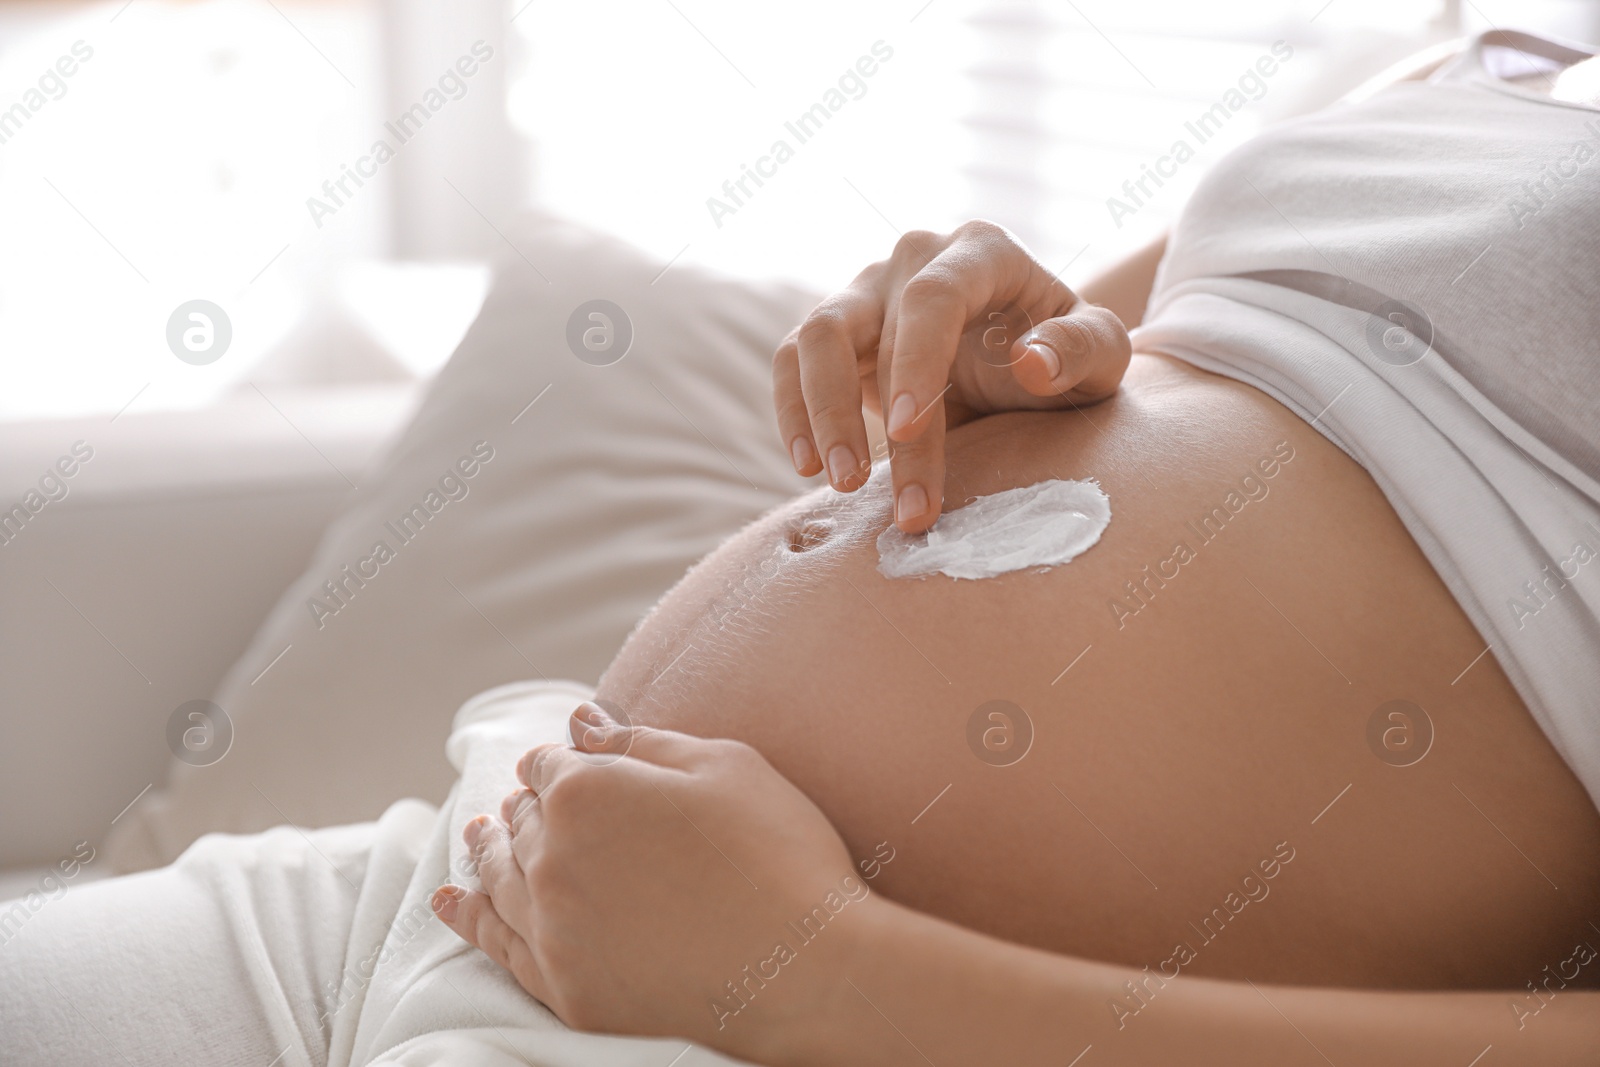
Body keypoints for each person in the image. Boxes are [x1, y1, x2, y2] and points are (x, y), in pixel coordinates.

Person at [432, 29, 1600, 1064]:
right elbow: (1117, 371)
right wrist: (978, 368)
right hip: (526, 857)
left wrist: (823, 975)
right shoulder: (1470, 69)